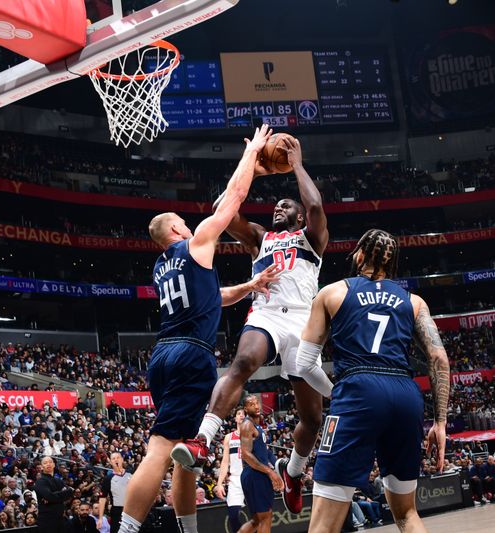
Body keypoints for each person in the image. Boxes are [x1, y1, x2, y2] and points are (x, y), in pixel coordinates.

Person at [117, 125, 277, 533]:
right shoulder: (194, 243)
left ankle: (189, 531)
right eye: (185, 223)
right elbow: (232, 200)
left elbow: (213, 296)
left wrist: (250, 287)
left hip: (165, 354)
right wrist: (252, 154)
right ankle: (126, 530)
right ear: (175, 230)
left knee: (183, 452)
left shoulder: (161, 267)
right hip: (191, 354)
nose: (192, 226)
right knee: (160, 448)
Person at [174, 136, 329, 514]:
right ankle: (202, 439)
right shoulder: (261, 237)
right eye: (276, 204)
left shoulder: (311, 239)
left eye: (286, 205)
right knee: (243, 363)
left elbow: (315, 204)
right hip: (268, 314)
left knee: (312, 418)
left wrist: (295, 164)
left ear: (297, 216)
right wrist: (252, 171)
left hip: (305, 325)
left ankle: (293, 472)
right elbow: (221, 210)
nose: (280, 207)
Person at [293, 229, 451, 533]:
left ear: (361, 256)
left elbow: (304, 363)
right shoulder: (414, 302)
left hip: (358, 389)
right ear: (392, 264)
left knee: (324, 524)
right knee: (406, 513)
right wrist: (440, 423)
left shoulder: (332, 292)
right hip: (405, 394)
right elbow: (439, 359)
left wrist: (336, 393)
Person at [237, 395, 282, 533]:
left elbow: (266, 451)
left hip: (256, 474)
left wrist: (278, 465)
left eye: (257, 402)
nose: (256, 406)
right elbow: (246, 454)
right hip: (255, 475)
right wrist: (270, 471)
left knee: (257, 520)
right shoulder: (247, 425)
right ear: (245, 408)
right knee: (265, 517)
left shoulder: (257, 425)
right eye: (251, 404)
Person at [214, 409, 246, 533]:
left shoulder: (254, 434)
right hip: (235, 478)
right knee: (233, 515)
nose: (242, 415)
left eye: (244, 413)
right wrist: (219, 483)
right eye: (239, 413)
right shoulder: (229, 437)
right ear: (235, 419)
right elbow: (225, 462)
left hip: (251, 477)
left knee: (258, 515)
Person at [33, 457, 73, 533]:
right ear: (41, 467)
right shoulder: (40, 482)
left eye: (50, 462)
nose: (48, 464)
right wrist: (60, 495)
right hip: (47, 521)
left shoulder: (58, 480)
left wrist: (53, 497)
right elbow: (50, 496)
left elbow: (70, 493)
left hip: (60, 519)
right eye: (45, 463)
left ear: (54, 465)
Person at [98, 453, 130, 533]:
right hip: (117, 511)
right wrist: (100, 518)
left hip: (132, 510)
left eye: (118, 457)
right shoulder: (108, 479)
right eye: (113, 458)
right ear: (111, 462)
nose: (116, 460)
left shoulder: (131, 474)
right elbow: (102, 499)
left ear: (122, 460)